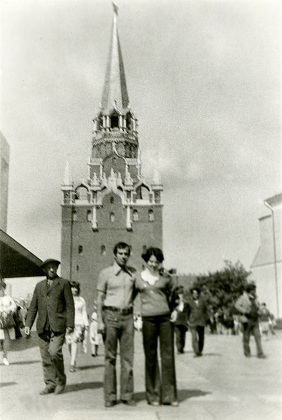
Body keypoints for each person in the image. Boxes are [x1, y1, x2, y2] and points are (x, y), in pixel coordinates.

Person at [135, 247, 178, 407]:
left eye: (157, 262)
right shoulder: (138, 278)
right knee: (150, 356)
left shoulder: (166, 278)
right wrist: (136, 317)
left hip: (165, 319)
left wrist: (174, 310)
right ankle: (153, 395)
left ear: (161, 262)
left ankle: (169, 395)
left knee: (167, 356)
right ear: (146, 262)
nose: (154, 264)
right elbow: (131, 297)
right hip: (148, 320)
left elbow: (174, 296)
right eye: (151, 261)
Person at [25, 259, 75, 395]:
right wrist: (28, 324)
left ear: (57, 268)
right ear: (45, 270)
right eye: (49, 268)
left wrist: (70, 323)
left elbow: (70, 305)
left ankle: (60, 381)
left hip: (58, 325)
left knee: (54, 352)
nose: (52, 270)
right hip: (42, 326)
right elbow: (33, 306)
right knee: (46, 357)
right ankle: (50, 384)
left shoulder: (63, 283)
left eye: (54, 267)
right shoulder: (39, 286)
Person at [97, 242, 137, 408]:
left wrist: (127, 304)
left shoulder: (133, 274)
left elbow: (135, 293)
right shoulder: (105, 273)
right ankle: (110, 396)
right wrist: (100, 320)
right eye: (120, 253)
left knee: (127, 358)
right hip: (110, 317)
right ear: (114, 255)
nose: (123, 256)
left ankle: (127, 395)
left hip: (127, 318)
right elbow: (99, 298)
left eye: (126, 253)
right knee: (110, 358)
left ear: (129, 255)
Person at [235, 283, 266, 358]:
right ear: (250, 290)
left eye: (255, 290)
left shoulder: (255, 298)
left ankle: (260, 353)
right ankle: (247, 353)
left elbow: (258, 307)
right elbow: (236, 305)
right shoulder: (243, 297)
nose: (255, 291)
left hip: (255, 320)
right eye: (253, 290)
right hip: (247, 320)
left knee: (258, 337)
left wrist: (260, 310)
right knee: (246, 337)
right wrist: (244, 311)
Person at [65, 281, 89, 372]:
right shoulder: (65, 299)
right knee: (69, 343)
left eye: (76, 288)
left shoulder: (81, 300)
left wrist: (86, 324)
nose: (75, 289)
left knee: (74, 342)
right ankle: (73, 359)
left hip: (79, 323)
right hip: (68, 324)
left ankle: (72, 364)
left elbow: (84, 312)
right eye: (73, 287)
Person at [187, 287, 209, 357]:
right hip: (192, 321)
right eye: (193, 293)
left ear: (198, 294)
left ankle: (200, 350)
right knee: (194, 337)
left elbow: (206, 311)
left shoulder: (203, 301)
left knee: (201, 337)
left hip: (201, 321)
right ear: (192, 294)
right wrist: (187, 320)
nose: (195, 294)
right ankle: (196, 351)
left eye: (196, 293)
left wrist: (207, 319)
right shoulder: (189, 302)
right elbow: (187, 312)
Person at [0, 281, 17, 365]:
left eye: (1, 288)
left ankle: (5, 357)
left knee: (7, 339)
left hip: (6, 322)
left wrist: (8, 311)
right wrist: (1, 311)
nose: (0, 290)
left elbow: (14, 306)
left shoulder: (8, 298)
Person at [172, 286, 189, 354]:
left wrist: (187, 320)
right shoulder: (175, 303)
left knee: (183, 336)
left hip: (184, 322)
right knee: (178, 336)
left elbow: (187, 312)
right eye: (179, 294)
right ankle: (179, 349)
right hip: (177, 321)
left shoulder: (186, 303)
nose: (180, 295)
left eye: (181, 294)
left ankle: (182, 348)